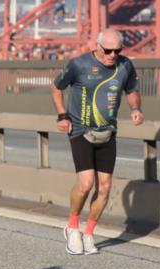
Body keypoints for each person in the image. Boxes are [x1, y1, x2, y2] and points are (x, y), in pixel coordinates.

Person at [52, 28, 144, 255]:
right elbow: (56, 87)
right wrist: (62, 115)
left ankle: (89, 234)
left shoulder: (125, 65)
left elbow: (131, 89)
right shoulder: (79, 65)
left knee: (104, 188)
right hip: (80, 130)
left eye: (118, 50)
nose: (113, 55)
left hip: (108, 132)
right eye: (109, 50)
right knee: (86, 184)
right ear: (98, 46)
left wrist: (135, 109)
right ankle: (72, 229)